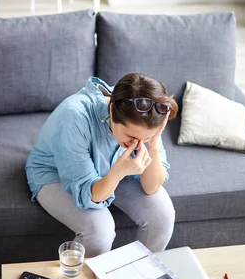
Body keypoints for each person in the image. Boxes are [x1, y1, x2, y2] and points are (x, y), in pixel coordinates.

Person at [25, 72, 178, 257]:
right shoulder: (73, 117)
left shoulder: (146, 115)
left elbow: (151, 187)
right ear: (112, 111)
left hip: (113, 167)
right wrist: (117, 173)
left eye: (146, 137)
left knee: (162, 217)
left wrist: (153, 144)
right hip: (55, 172)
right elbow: (91, 195)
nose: (138, 143)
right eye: (131, 136)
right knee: (100, 232)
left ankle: (141, 275)